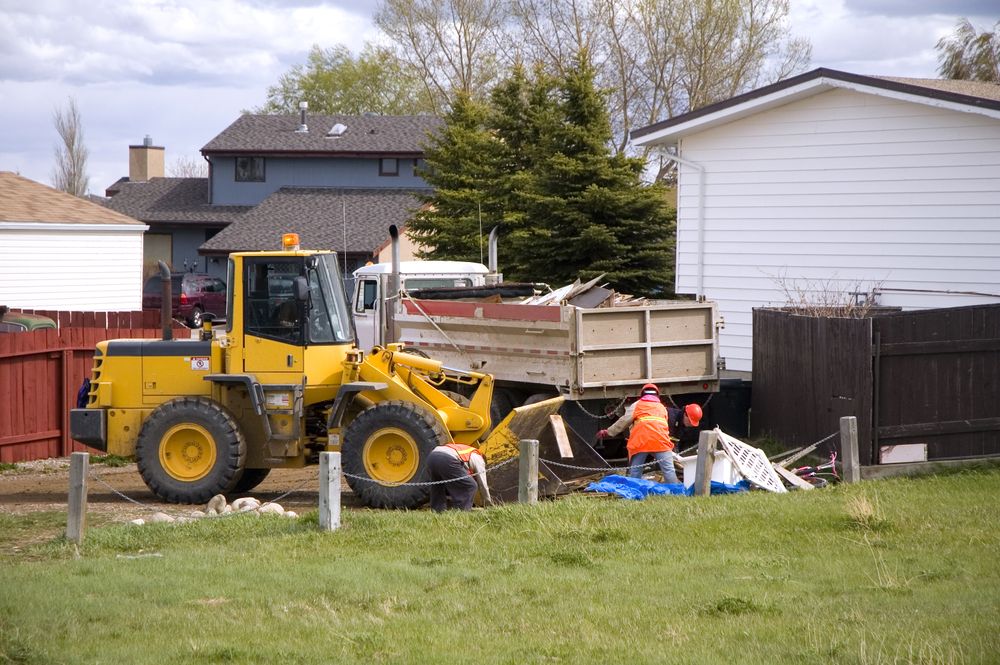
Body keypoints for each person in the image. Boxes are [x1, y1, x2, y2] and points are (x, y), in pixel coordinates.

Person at [597, 383, 702, 485]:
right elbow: (663, 428)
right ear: (657, 395)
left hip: (641, 442)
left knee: (635, 473)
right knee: (669, 473)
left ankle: (634, 493)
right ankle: (677, 494)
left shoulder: (637, 405)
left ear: (642, 394)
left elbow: (623, 421)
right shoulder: (662, 408)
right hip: (661, 443)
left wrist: (608, 432)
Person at [427, 442, 492, 512]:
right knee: (471, 486)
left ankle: (437, 511)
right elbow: (482, 484)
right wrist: (488, 503)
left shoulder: (467, 452)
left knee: (438, 486)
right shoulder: (479, 459)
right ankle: (462, 511)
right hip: (447, 458)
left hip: (432, 457)